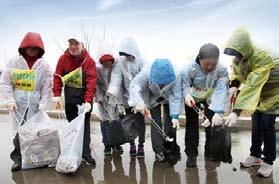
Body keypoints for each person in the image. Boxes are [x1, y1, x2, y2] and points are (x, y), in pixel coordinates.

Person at [224, 28, 279, 177]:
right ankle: (255, 156)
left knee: (267, 124)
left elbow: (252, 85)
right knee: (256, 121)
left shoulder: (261, 56)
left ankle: (268, 162)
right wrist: (234, 85)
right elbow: (237, 72)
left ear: (245, 48)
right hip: (258, 91)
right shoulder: (238, 58)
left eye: (237, 52)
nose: (235, 56)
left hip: (273, 90)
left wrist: (236, 111)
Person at [0, 32, 52, 171]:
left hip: (35, 103)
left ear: (40, 49)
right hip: (18, 102)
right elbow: (5, 82)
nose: (32, 50)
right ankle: (18, 158)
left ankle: (34, 158)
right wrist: (10, 99)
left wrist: (43, 103)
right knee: (18, 131)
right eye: (29, 47)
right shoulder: (14, 62)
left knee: (35, 132)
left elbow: (47, 86)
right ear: (24, 47)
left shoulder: (44, 65)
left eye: (35, 47)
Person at [181, 43, 229, 167]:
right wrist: (186, 95)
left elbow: (221, 89)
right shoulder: (189, 68)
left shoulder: (221, 69)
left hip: (210, 97)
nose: (210, 67)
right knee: (191, 125)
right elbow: (184, 84)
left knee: (212, 124)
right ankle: (191, 155)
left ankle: (210, 152)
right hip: (193, 97)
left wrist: (218, 111)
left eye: (213, 64)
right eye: (206, 64)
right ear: (200, 59)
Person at [52, 37, 97, 165]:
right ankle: (72, 151)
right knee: (72, 126)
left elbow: (91, 81)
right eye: (71, 43)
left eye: (76, 44)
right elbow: (57, 77)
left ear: (82, 45)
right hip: (70, 97)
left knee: (84, 126)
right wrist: (56, 94)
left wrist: (88, 101)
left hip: (84, 99)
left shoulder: (89, 61)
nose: (73, 46)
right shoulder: (63, 59)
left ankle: (85, 154)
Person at [129, 59, 182, 161]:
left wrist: (175, 116)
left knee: (170, 124)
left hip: (169, 98)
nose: (162, 87)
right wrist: (139, 102)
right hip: (152, 97)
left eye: (165, 84)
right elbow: (134, 86)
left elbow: (176, 96)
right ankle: (158, 151)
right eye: (160, 84)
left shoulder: (177, 74)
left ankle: (169, 149)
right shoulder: (146, 72)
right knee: (156, 122)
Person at [107, 37, 146, 157]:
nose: (126, 57)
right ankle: (132, 144)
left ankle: (141, 145)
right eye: (124, 54)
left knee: (140, 122)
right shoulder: (120, 62)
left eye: (128, 54)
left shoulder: (142, 61)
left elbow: (145, 78)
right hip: (127, 98)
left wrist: (141, 101)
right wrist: (113, 91)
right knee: (128, 124)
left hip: (140, 98)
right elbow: (116, 78)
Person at [95, 46, 122, 155]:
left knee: (115, 121)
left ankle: (117, 143)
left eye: (109, 61)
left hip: (114, 98)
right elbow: (96, 85)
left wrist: (117, 97)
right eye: (104, 61)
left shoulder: (116, 68)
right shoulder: (98, 69)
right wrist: (99, 98)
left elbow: (119, 83)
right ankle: (107, 145)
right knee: (104, 122)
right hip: (102, 99)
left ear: (112, 60)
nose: (106, 63)